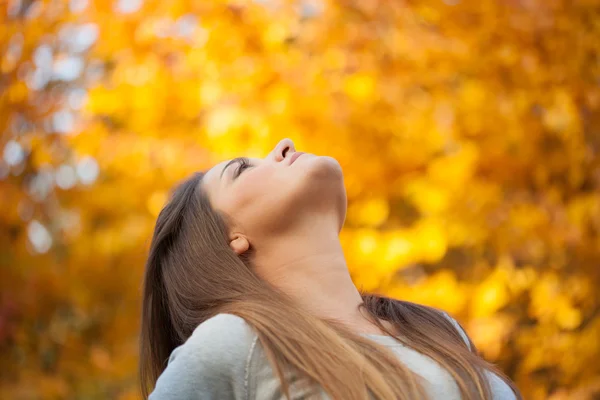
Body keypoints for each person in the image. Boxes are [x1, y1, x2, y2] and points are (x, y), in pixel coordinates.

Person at [139, 138, 522, 400]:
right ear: (230, 239)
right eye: (241, 169)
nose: (284, 146)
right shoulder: (235, 345)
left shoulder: (436, 327)